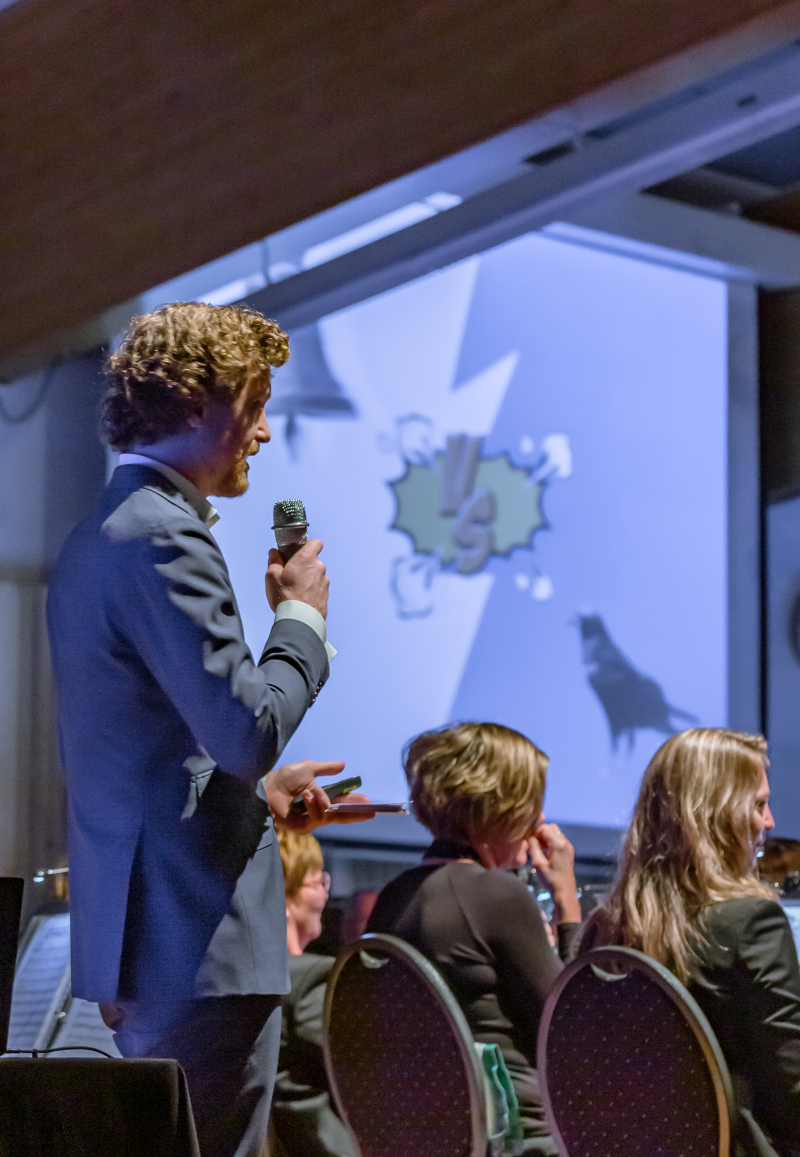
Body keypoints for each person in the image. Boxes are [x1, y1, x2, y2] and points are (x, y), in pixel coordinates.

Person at [46, 302, 372, 1157]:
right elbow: (248, 731)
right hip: (198, 944)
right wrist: (301, 619)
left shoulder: (99, 532)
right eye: (254, 405)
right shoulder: (166, 536)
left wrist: (259, 795)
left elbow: (146, 750)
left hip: (147, 943)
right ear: (196, 403)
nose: (262, 432)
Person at [580, 727, 800, 1157]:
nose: (769, 822)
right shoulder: (749, 922)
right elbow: (791, 1092)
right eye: (758, 805)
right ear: (718, 815)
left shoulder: (604, 930)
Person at [367, 722, 581, 1156]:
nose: (539, 819)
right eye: (532, 802)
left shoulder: (394, 896)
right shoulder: (496, 894)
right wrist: (566, 901)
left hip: (430, 1132)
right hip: (516, 1132)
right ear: (503, 806)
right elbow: (574, 1029)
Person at [270, 831, 357, 1157]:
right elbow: (359, 1072)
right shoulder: (310, 977)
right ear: (284, 895)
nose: (325, 893)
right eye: (318, 882)